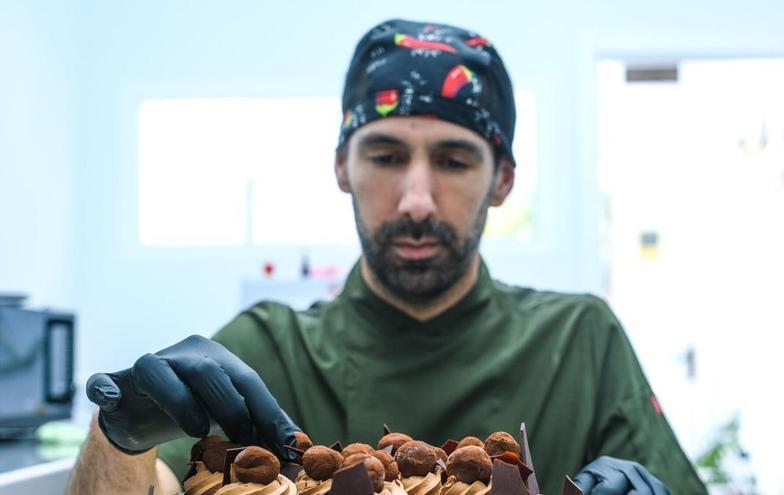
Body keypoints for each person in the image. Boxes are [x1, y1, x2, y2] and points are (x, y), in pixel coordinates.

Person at [66, 19, 707, 495]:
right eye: (386, 156)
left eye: (454, 161)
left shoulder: (581, 343)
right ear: (343, 165)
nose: (417, 200)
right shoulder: (266, 351)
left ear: (503, 180)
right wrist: (119, 437)